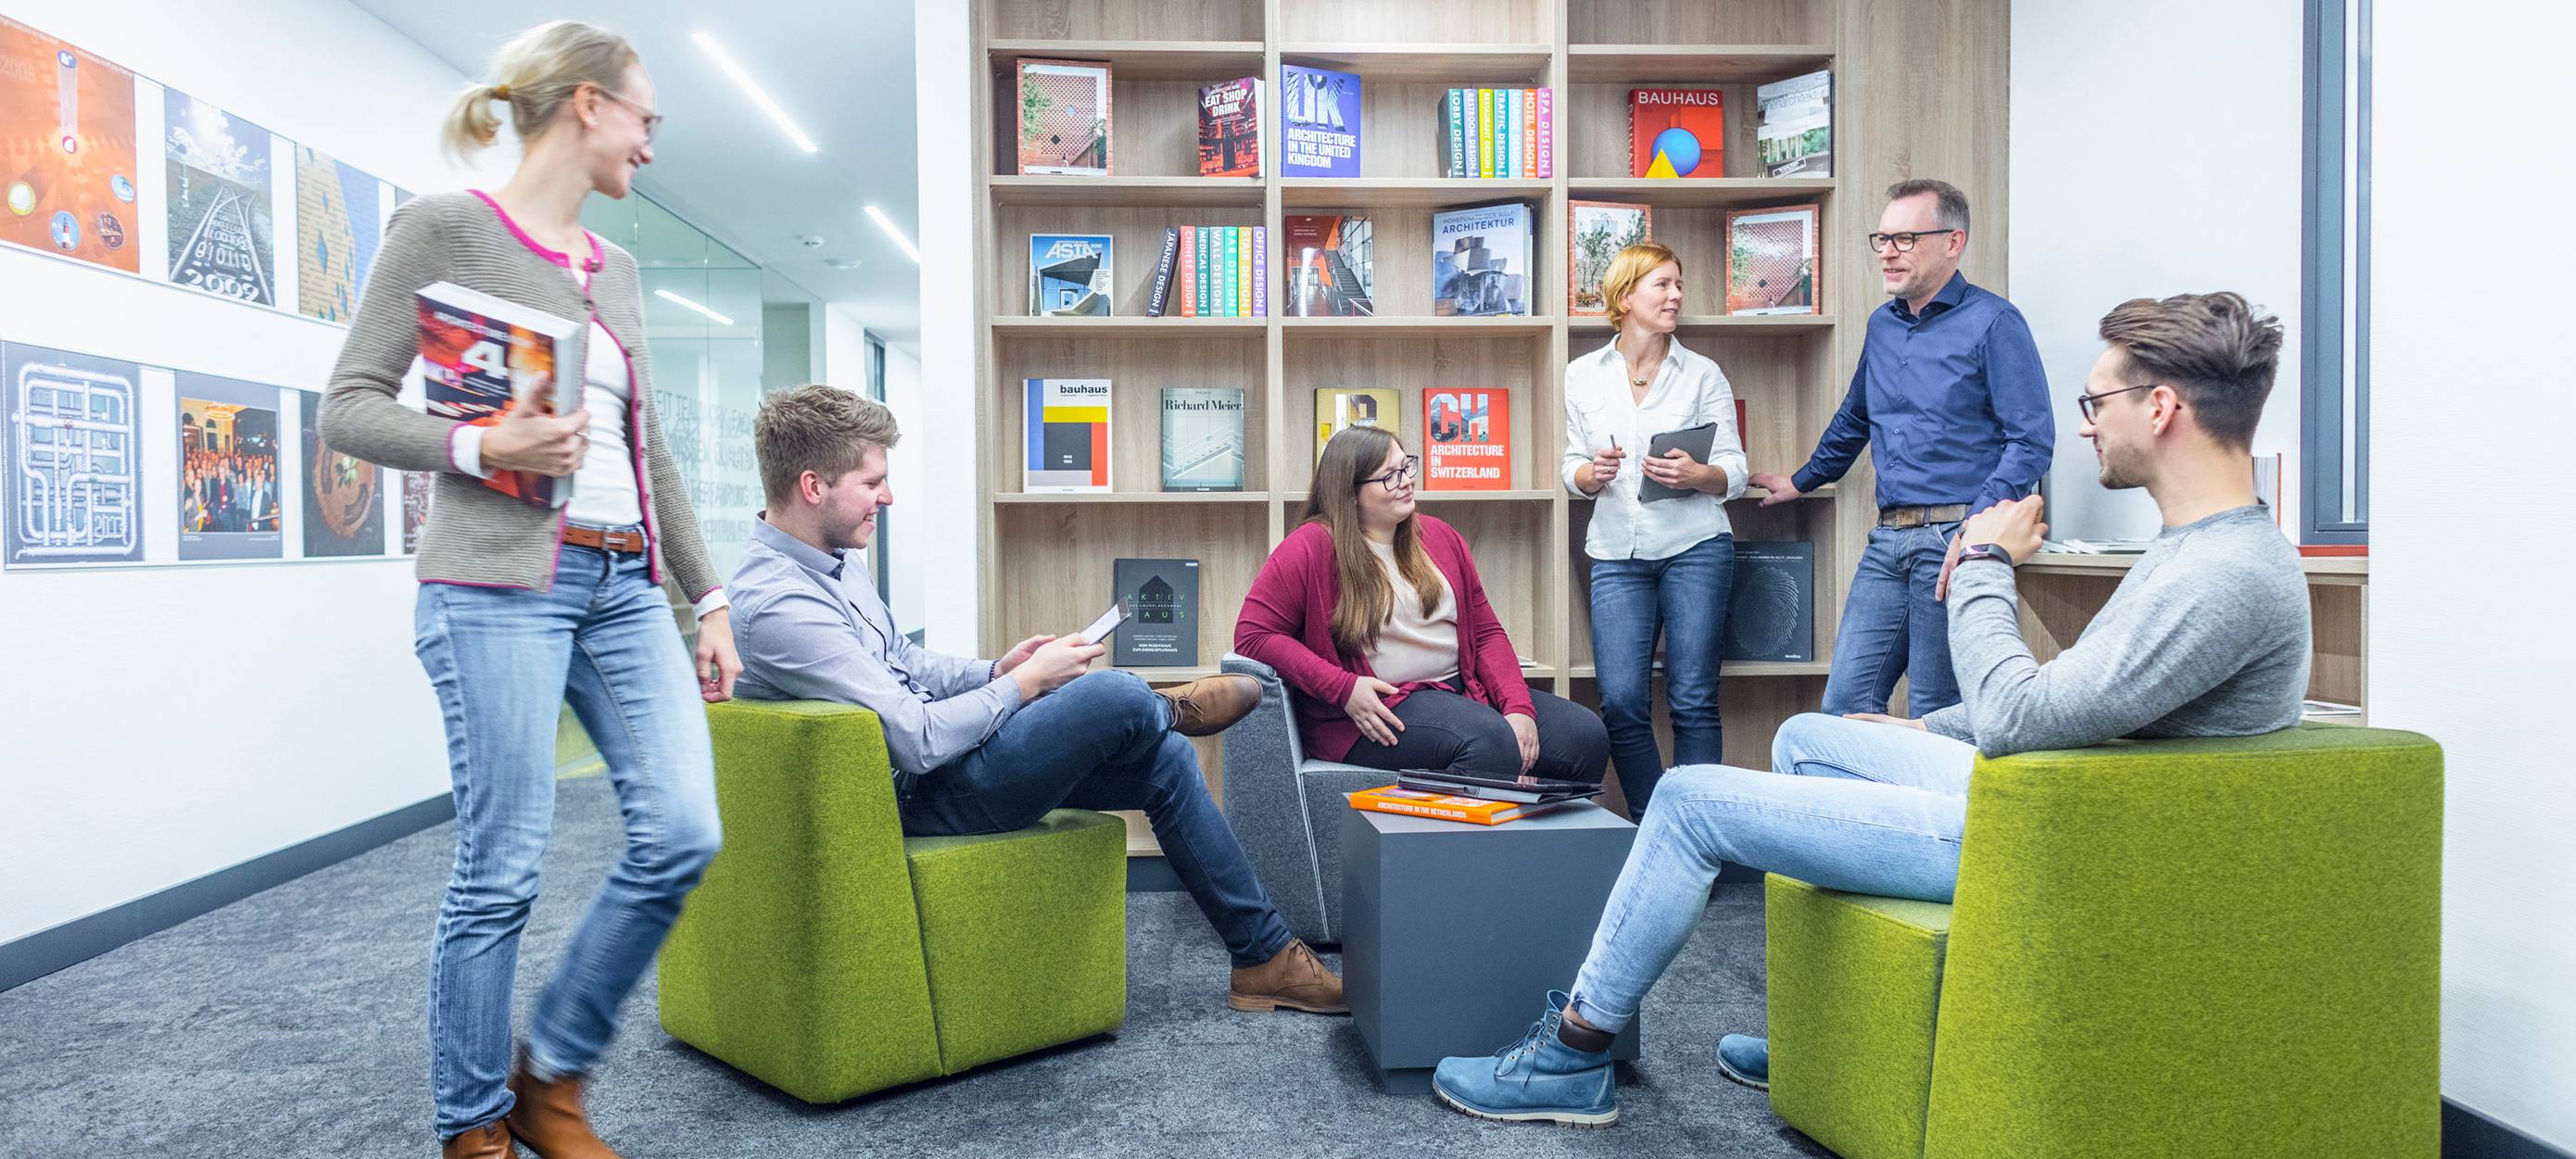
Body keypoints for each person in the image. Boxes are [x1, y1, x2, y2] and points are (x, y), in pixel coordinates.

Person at [1432, 291, 2309, 1128]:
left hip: (2043, 832)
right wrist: (1927, 727)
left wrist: (1983, 562)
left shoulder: (2220, 579)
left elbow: (2019, 715)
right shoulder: (2202, 550)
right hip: (2051, 791)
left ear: (2160, 408)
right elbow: (2077, 705)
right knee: (1813, 736)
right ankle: (1832, 1035)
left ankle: (1573, 1058)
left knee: (1689, 799)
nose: (2084, 422)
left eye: (2097, 399)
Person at [319, 21, 737, 1159]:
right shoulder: (444, 228)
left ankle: (551, 1070)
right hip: (496, 582)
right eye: (646, 119)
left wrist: (706, 599)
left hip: (619, 581)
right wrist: (480, 442)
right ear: (588, 106)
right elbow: (348, 403)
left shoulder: (622, 269)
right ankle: (473, 1126)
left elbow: (651, 457)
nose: (651, 147)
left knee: (683, 832)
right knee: (501, 864)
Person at [727, 385, 1346, 1017]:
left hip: (952, 763)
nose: (887, 497)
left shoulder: (832, 559)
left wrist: (996, 668)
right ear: (812, 486)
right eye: (873, 482)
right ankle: (1162, 708)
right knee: (1113, 692)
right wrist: (1024, 686)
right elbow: (914, 740)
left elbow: (906, 665)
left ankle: (1264, 957)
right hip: (922, 790)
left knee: (1164, 761)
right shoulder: (780, 604)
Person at [1749, 179, 2053, 719]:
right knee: (1844, 706)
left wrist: (1978, 532)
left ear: (1953, 242)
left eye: (1906, 238)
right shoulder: (1882, 325)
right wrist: (1802, 480)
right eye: (1883, 239)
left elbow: (2030, 441)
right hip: (1888, 541)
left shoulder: (1995, 322)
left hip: (1954, 538)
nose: (1888, 252)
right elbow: (1857, 418)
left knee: (1936, 710)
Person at [1237, 426, 1610, 784]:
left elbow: (1486, 632)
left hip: (1461, 691)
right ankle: (1456, 848)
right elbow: (1253, 634)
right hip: (1381, 709)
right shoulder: (1311, 546)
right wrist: (1343, 688)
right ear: (1350, 493)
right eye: (1390, 476)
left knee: (1584, 736)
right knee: (1488, 742)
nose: (1407, 480)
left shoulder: (1440, 536)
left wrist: (1517, 706)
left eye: (1407, 466)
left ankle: (1533, 845)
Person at [1562, 241, 1747, 818]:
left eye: (1678, 284)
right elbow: (1570, 465)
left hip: (1696, 547)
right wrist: (1590, 474)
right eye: (1662, 285)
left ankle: (1699, 833)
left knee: (1693, 699)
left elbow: (1736, 469)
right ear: (1625, 296)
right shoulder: (1582, 375)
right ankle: (1655, 826)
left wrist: (1700, 474)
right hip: (1617, 552)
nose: (1676, 296)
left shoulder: (1702, 374)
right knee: (1619, 702)